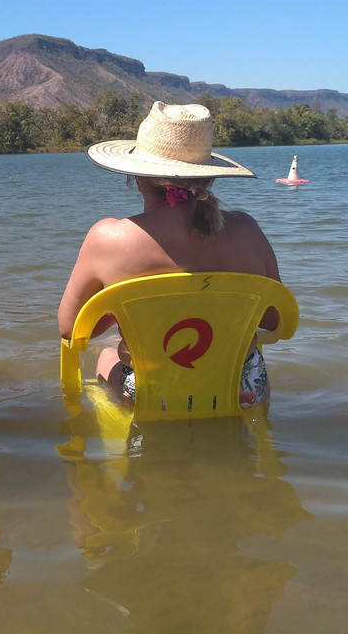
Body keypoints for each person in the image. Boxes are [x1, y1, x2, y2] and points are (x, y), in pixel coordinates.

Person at [57, 102, 282, 408]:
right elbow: (273, 320)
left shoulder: (107, 238)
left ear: (137, 178)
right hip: (240, 391)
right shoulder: (247, 230)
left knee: (108, 354)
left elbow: (72, 329)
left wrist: (122, 309)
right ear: (209, 177)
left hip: (155, 396)